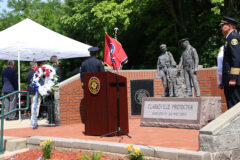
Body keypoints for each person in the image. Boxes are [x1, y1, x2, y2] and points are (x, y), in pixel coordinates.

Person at [220, 16, 240, 109]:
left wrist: (233, 78)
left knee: (235, 105)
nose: (221, 27)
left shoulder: (233, 38)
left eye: (223, 25)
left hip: (233, 80)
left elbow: (236, 58)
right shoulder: (228, 39)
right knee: (231, 104)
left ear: (229, 26)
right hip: (228, 79)